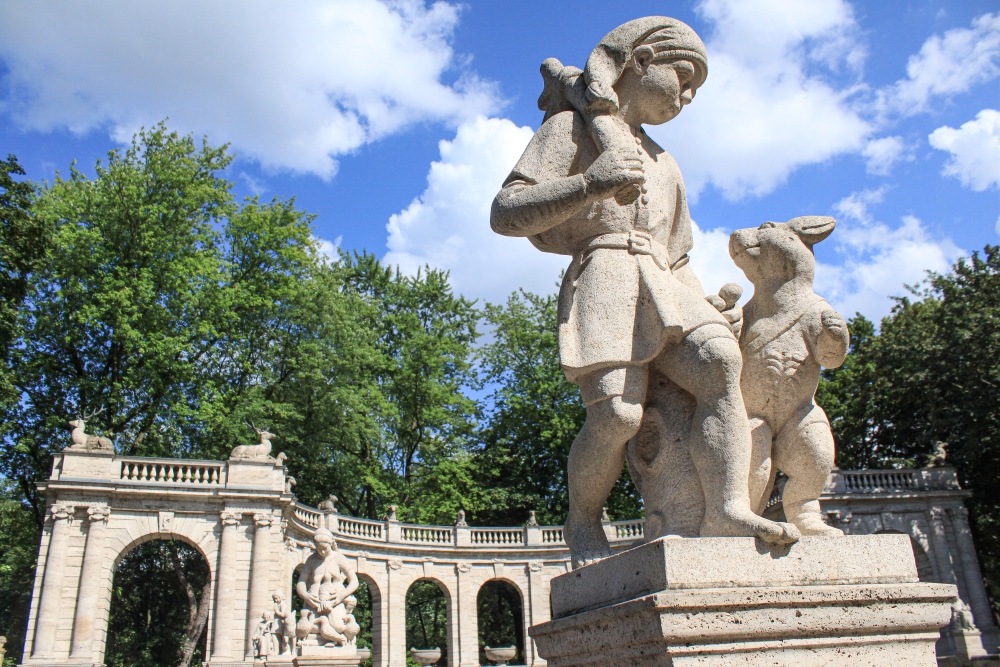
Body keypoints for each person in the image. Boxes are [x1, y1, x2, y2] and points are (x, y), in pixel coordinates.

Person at [491, 16, 799, 568]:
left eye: (696, 88)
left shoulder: (666, 162)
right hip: (604, 272)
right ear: (638, 61)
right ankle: (582, 521)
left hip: (667, 279)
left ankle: (727, 507)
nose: (687, 95)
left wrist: (707, 304)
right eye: (682, 76)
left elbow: (677, 251)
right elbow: (505, 212)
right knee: (617, 417)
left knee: (719, 360)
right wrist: (591, 182)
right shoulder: (572, 130)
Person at [295, 528, 360, 645]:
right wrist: (306, 596)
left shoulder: (339, 557)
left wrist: (342, 595)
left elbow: (354, 581)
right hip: (315, 601)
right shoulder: (311, 560)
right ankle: (332, 639)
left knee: (339, 627)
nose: (322, 552)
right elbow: (301, 582)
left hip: (335, 599)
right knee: (308, 628)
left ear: (331, 544)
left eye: (324, 548)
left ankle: (333, 638)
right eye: (319, 549)